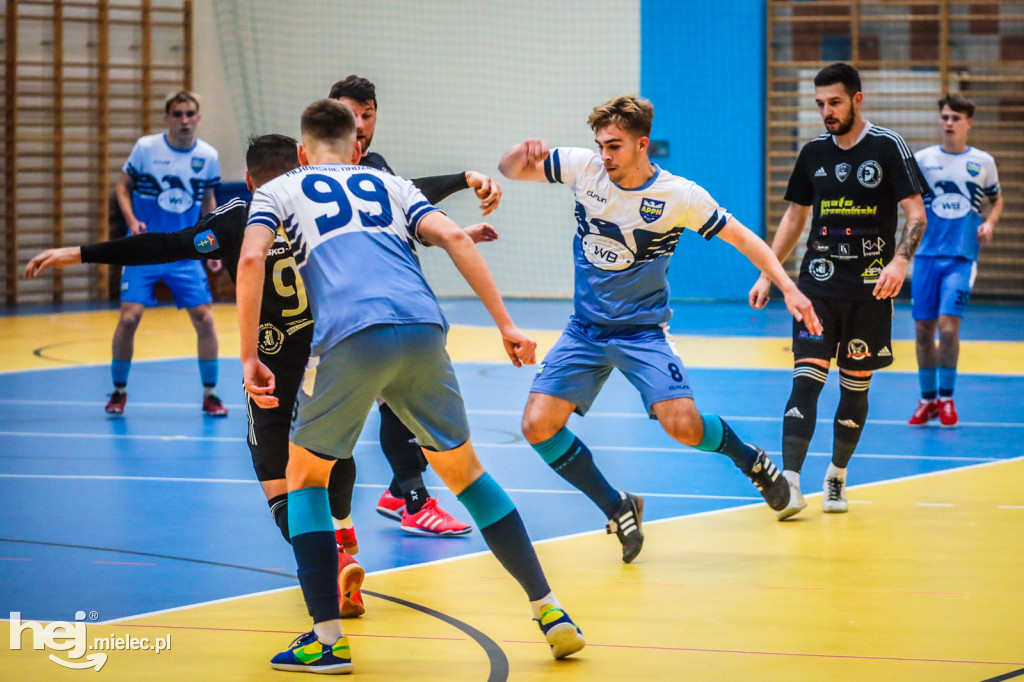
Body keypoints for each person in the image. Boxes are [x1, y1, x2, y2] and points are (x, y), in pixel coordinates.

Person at [24, 134, 505, 619]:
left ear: (250, 179)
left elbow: (166, 244)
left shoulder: (239, 218)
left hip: (272, 368)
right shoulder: (339, 204)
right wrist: (461, 185)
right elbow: (404, 193)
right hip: (332, 359)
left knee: (277, 478)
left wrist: (79, 253)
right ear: (302, 164)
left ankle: (333, 562)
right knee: (328, 457)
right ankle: (342, 527)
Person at [239, 99, 585, 673]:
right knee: (467, 474)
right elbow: (457, 239)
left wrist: (250, 355)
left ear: (301, 152)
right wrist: (506, 324)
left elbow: (252, 260)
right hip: (424, 329)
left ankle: (327, 640)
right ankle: (551, 612)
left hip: (352, 335)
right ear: (357, 147)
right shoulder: (388, 185)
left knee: (305, 479)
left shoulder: (279, 190)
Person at [498, 95, 821, 564]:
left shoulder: (679, 196)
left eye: (614, 146)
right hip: (585, 330)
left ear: (641, 144)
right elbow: (510, 170)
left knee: (685, 427)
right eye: (600, 145)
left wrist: (786, 286)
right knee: (537, 425)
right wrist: (520, 152)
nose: (604, 155)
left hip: (642, 333)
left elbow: (744, 238)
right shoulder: (583, 167)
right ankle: (617, 505)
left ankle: (749, 459)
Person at [749, 63, 928, 519]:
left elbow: (916, 215)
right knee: (806, 380)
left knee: (854, 388)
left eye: (835, 102)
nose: (826, 112)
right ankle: (789, 483)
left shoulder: (888, 147)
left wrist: (900, 260)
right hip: (818, 285)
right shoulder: (813, 153)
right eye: (820, 104)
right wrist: (769, 274)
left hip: (871, 291)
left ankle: (836, 476)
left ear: (857, 99)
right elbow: (795, 217)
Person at [329, 74, 502, 537]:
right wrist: (464, 179)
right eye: (351, 116)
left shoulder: (376, 165)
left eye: (368, 116)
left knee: (393, 396)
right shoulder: (312, 173)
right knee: (321, 440)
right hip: (332, 311)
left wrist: (458, 232)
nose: (361, 125)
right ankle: (377, 512)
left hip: (379, 308)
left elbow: (402, 201)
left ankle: (405, 493)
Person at [109, 90, 226, 417]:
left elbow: (208, 203)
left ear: (198, 118)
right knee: (129, 318)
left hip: (184, 252)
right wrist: (132, 220)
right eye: (178, 114)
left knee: (204, 319)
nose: (185, 120)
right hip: (144, 249)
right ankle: (118, 391)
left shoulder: (208, 155)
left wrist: (212, 243)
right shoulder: (147, 148)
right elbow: (122, 186)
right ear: (167, 118)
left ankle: (211, 394)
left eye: (190, 114)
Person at [908, 94, 1002, 428]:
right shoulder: (922, 160)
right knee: (922, 330)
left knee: (948, 330)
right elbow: (909, 201)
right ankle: (927, 400)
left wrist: (989, 222)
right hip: (925, 256)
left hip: (961, 258)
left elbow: (996, 198)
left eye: (956, 118)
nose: (949, 123)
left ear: (968, 122)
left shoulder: (983, 162)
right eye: (945, 117)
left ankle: (947, 399)